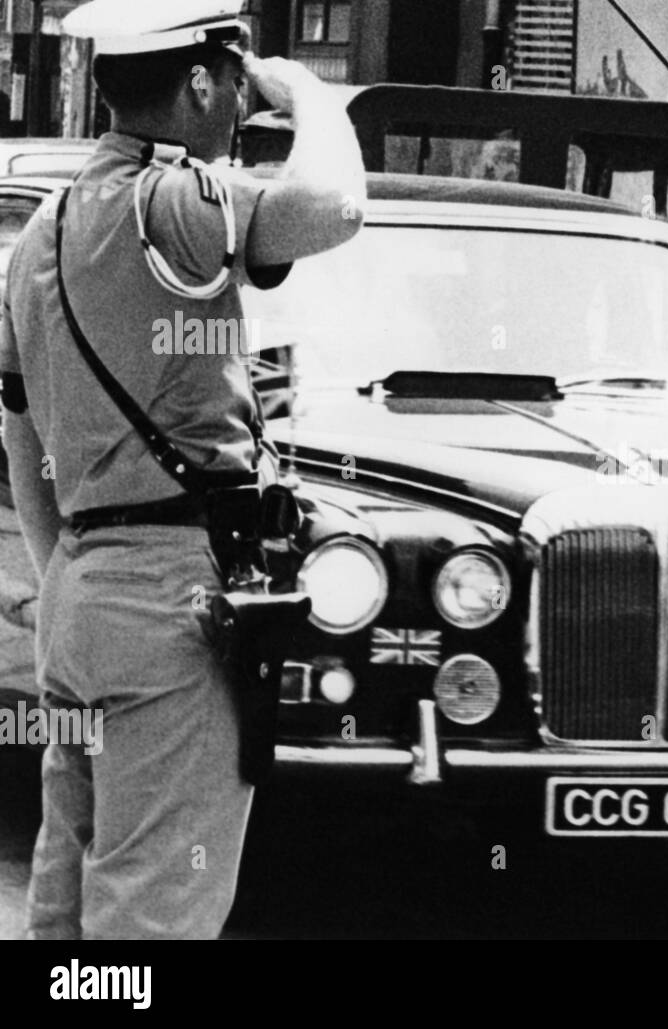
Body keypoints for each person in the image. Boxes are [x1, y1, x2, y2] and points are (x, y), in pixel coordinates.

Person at [0, 0, 365, 938]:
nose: (247, 101)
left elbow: (18, 432)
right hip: (172, 604)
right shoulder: (173, 204)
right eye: (238, 79)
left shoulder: (42, 230)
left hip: (81, 598)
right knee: (155, 909)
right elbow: (335, 208)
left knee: (72, 891)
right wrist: (316, 97)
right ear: (199, 83)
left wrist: (63, 576)